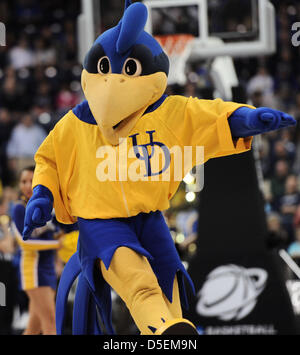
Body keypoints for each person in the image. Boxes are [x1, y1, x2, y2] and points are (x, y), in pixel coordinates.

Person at [11, 166, 61, 335]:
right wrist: (57, 245)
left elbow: (57, 234)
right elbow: (25, 243)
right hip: (33, 269)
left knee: (34, 328)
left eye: (31, 181)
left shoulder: (47, 208)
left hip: (47, 268)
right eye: (23, 181)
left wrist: (58, 257)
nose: (27, 185)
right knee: (51, 323)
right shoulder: (19, 208)